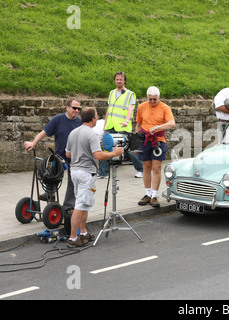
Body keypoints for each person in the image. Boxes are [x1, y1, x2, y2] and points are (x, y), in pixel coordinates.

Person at [65, 107, 124, 248]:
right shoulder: (92, 135)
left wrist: (81, 155)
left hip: (75, 171)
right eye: (96, 117)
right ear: (93, 119)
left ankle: (83, 233)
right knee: (80, 205)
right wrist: (114, 153)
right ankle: (73, 238)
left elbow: (68, 154)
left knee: (83, 203)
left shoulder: (73, 133)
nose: (97, 119)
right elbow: (98, 155)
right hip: (86, 173)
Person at [23, 97, 82, 209]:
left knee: (73, 182)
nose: (77, 110)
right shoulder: (58, 119)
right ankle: (50, 194)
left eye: (79, 108)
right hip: (60, 156)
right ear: (67, 107)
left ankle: (67, 207)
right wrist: (33, 143)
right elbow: (44, 132)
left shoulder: (80, 122)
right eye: (74, 108)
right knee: (50, 174)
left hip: (75, 158)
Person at [98, 71, 143, 178]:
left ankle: (141, 169)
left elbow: (131, 109)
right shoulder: (112, 93)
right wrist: (105, 123)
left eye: (120, 79)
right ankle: (103, 173)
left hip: (123, 126)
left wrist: (127, 120)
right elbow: (109, 109)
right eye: (117, 79)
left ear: (124, 81)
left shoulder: (130, 94)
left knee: (128, 149)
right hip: (110, 125)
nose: (118, 81)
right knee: (107, 148)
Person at [136, 86, 175, 207]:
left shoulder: (165, 108)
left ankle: (154, 195)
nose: (152, 101)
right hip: (145, 139)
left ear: (159, 97)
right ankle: (147, 194)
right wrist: (136, 144)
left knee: (156, 168)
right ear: (147, 97)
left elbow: (172, 123)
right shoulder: (142, 106)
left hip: (158, 140)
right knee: (146, 168)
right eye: (150, 99)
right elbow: (138, 125)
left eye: (155, 99)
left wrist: (158, 127)